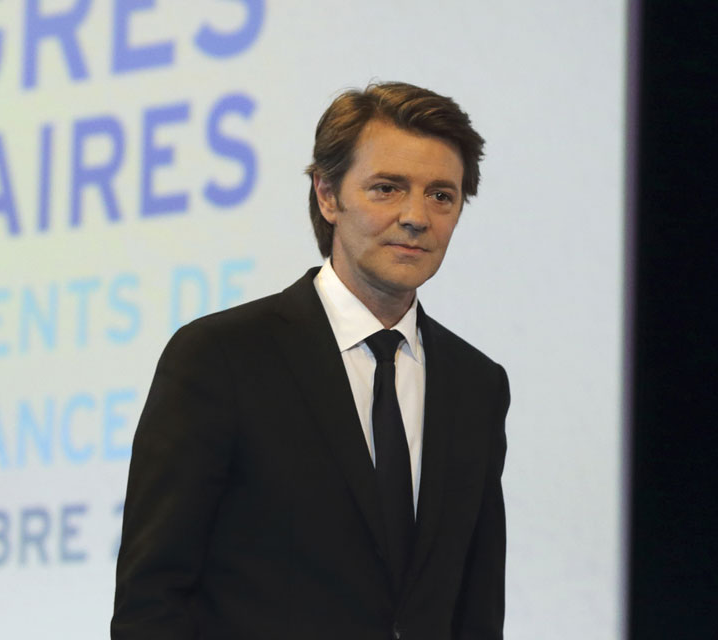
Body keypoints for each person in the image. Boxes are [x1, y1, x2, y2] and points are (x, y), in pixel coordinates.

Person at [112, 81, 510, 640]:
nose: (417, 216)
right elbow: (152, 601)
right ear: (327, 195)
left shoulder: (477, 386)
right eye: (387, 188)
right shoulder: (221, 357)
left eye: (441, 195)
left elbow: (476, 606)